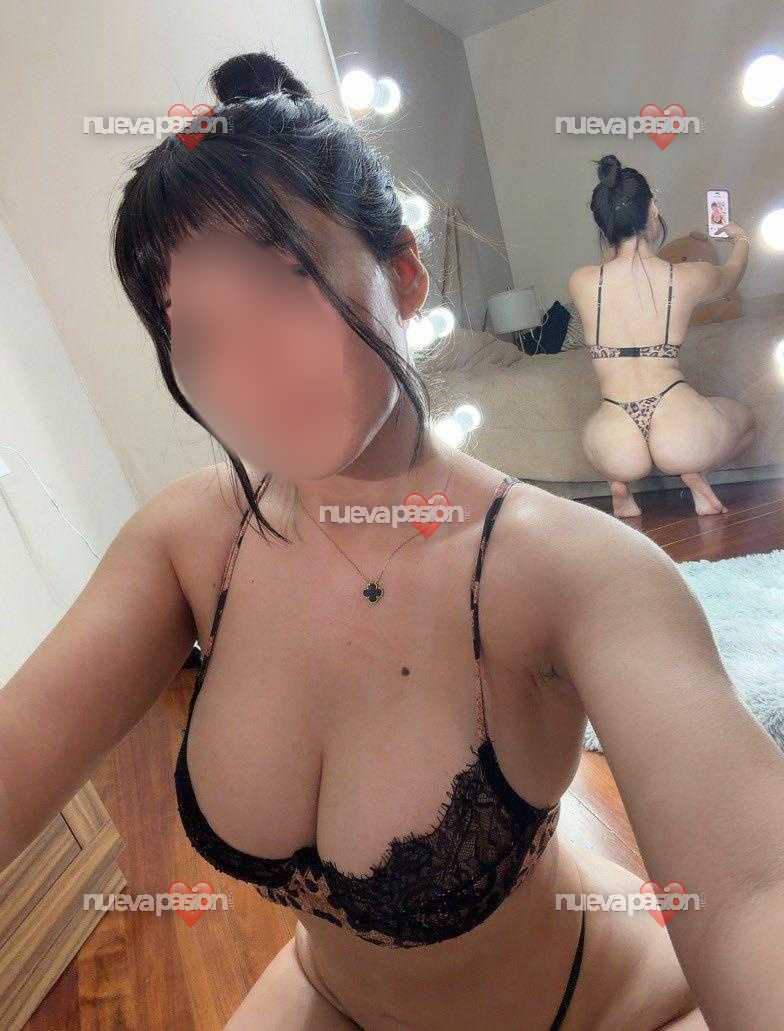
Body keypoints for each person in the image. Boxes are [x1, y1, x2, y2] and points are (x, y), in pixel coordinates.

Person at [2, 52, 783, 1030]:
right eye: (198, 332)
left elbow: (754, 892)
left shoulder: (575, 569)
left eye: (283, 282)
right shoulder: (193, 541)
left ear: (404, 274)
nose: (249, 365)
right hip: (327, 991)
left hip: (598, 1009)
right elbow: (19, 742)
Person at [568, 154, 756, 518]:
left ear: (604, 223)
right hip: (679, 422)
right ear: (653, 209)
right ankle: (693, 471)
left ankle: (620, 487)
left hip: (614, 437)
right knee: (747, 422)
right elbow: (732, 276)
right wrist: (742, 239)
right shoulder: (686, 277)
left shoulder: (582, 282)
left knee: (605, 446)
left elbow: (613, 265)